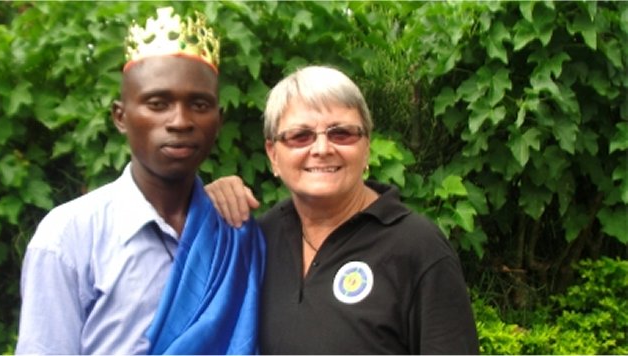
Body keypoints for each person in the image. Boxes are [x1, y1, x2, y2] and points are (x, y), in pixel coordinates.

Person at [16, 7, 265, 355]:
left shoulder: (232, 229)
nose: (180, 121)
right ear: (121, 117)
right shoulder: (69, 236)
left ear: (218, 120)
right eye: (158, 103)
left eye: (199, 104)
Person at [205, 65, 479, 354]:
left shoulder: (418, 247)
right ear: (273, 154)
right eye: (301, 136)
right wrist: (204, 204)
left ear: (367, 148)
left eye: (342, 134)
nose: (322, 148)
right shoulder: (258, 241)